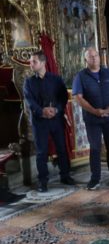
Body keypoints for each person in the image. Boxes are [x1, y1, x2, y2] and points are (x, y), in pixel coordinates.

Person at [23, 50, 75, 192]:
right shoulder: (28, 82)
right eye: (30, 61)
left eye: (34, 61)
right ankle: (43, 182)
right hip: (39, 122)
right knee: (41, 152)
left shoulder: (56, 79)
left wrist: (56, 110)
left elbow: (63, 97)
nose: (31, 64)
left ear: (43, 63)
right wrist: (42, 111)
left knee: (61, 148)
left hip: (56, 120)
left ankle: (65, 176)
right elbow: (30, 101)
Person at [72, 48, 109, 190]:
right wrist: (95, 111)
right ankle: (95, 179)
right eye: (91, 57)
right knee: (95, 148)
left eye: (96, 55)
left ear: (99, 57)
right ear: (86, 60)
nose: (94, 58)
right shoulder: (80, 76)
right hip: (92, 120)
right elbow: (78, 98)